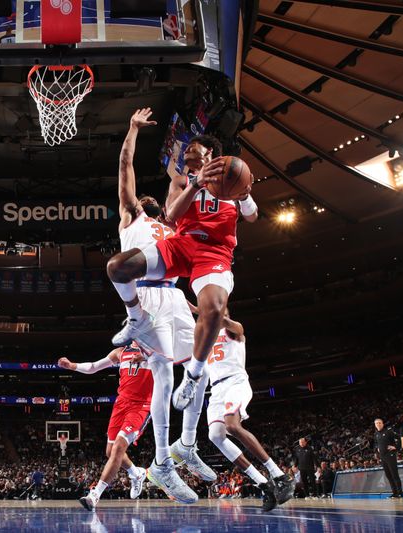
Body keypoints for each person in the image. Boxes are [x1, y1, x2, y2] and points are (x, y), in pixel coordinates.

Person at [106, 125, 258, 469]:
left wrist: (245, 192)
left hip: (214, 253)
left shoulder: (233, 172)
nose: (185, 152)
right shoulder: (179, 180)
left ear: (210, 153)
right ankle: (133, 317)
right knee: (118, 267)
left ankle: (191, 385)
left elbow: (252, 215)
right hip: (180, 246)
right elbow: (171, 216)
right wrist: (195, 182)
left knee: (214, 309)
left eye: (191, 148)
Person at [103, 107, 211, 504]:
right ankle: (163, 461)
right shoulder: (131, 215)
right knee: (163, 375)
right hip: (145, 291)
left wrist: (186, 154)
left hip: (174, 296)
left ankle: (184, 446)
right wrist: (132, 129)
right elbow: (126, 166)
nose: (147, 199)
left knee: (202, 366)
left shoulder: (170, 223)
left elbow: (179, 184)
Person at [200, 312, 293, 512]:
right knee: (215, 436)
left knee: (232, 426)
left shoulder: (234, 330)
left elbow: (227, 322)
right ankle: (263, 484)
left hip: (235, 382)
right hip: (215, 391)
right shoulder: (204, 338)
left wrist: (202, 309)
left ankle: (279, 476)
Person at [58, 344, 153, 510]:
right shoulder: (121, 352)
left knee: (118, 447)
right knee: (110, 452)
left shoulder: (157, 348)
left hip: (141, 405)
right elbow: (94, 367)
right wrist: (72, 365)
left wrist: (149, 356)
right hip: (121, 404)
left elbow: (172, 357)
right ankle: (136, 474)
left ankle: (95, 495)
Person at [373, 418, 403, 498]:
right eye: (376, 423)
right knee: (388, 475)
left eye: (379, 423)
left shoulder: (388, 431)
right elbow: (376, 443)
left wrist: (396, 447)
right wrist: (377, 448)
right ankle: (395, 493)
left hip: (391, 455)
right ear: (375, 425)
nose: (378, 424)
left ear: (382, 424)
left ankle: (400, 493)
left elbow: (400, 438)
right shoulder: (376, 434)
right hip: (383, 457)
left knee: (394, 474)